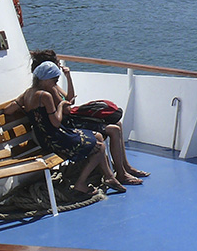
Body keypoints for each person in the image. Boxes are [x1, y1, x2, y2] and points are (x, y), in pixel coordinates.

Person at [30, 50, 148, 184]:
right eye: (56, 62)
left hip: (71, 118)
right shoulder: (49, 89)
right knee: (114, 130)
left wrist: (68, 76)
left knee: (118, 124)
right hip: (69, 123)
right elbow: (67, 109)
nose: (58, 63)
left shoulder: (53, 85)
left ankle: (125, 167)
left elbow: (70, 98)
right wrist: (64, 105)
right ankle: (121, 174)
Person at [19, 61, 122, 196]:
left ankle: (109, 177)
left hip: (43, 136)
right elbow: (56, 122)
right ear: (45, 80)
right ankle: (80, 183)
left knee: (97, 136)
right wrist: (61, 105)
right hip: (54, 137)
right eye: (54, 80)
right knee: (100, 147)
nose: (56, 83)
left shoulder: (27, 93)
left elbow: (9, 110)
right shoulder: (45, 95)